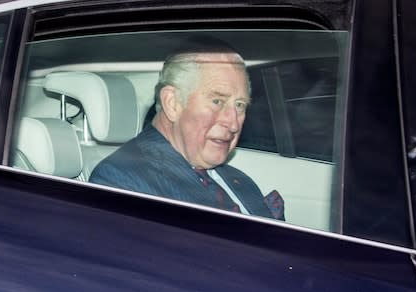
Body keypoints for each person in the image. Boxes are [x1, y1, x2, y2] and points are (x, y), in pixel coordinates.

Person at [89, 40, 284, 220]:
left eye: (240, 105)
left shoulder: (238, 179)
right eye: (217, 101)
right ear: (173, 104)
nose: (233, 124)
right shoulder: (121, 182)